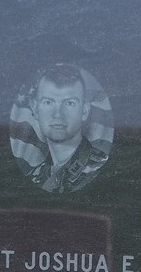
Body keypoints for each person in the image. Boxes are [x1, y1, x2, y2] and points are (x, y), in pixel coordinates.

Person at [20, 64, 110, 193]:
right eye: (48, 102)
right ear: (35, 109)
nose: (58, 114)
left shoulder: (99, 170)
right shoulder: (35, 176)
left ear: (84, 111)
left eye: (69, 103)